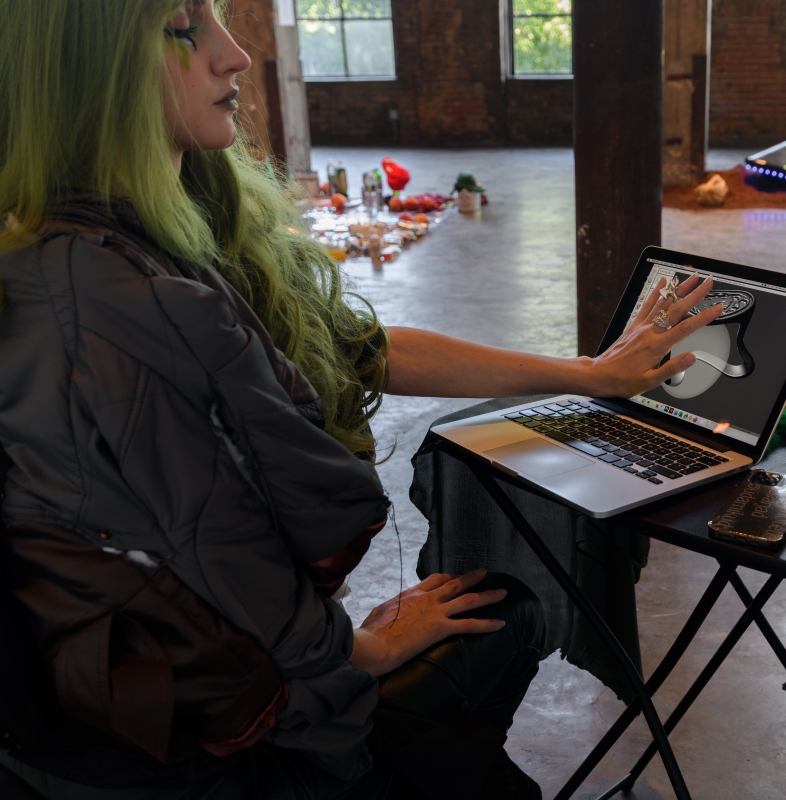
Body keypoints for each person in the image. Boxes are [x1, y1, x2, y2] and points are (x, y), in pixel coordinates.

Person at [0, 2, 723, 798]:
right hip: (196, 739)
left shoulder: (168, 225)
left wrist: (586, 374)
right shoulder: (120, 301)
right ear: (88, 69)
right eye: (183, 27)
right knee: (501, 624)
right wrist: (355, 651)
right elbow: (223, 577)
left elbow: (360, 349)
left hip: (179, 694)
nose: (235, 54)